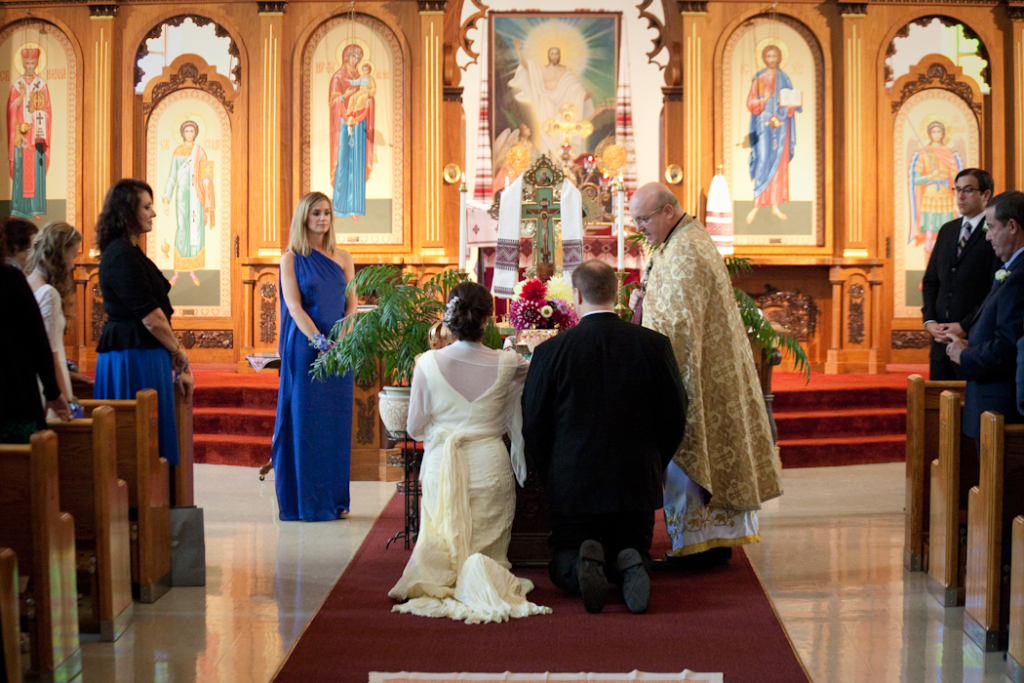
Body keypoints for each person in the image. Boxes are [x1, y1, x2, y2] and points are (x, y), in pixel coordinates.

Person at [628, 182, 783, 561]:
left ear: (667, 211)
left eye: (643, 219)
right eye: (635, 221)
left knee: (694, 454)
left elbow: (677, 329)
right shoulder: (680, 240)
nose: (640, 228)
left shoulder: (686, 250)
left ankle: (701, 547)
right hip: (704, 370)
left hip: (695, 378)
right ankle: (708, 542)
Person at [522, 260, 687, 614]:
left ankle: (578, 566)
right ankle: (629, 563)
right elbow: (676, 415)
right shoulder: (654, 346)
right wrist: (653, 462)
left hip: (574, 488)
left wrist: (555, 473)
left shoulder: (550, 352)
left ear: (577, 295)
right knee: (634, 545)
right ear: (617, 293)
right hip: (635, 485)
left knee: (562, 559)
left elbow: (533, 424)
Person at [389, 281, 550, 623]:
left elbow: (415, 428)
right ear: (487, 320)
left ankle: (445, 578)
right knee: (485, 550)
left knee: (443, 537)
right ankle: (482, 575)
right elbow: (542, 374)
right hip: (489, 466)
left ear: (449, 319)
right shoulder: (509, 363)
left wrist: (446, 428)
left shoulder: (427, 363)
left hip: (442, 466)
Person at [94, 179, 193, 467]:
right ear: (127, 212)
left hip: (142, 352)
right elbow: (151, 317)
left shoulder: (129, 251)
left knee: (149, 444)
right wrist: (178, 351)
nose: (154, 213)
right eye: (147, 207)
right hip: (133, 357)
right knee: (138, 447)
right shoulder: (121, 254)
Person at [272, 191, 357, 522]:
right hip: (306, 349)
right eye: (316, 213)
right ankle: (305, 502)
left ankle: (334, 500)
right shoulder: (290, 259)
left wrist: (342, 341)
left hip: (340, 350)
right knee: (306, 425)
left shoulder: (344, 257)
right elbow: (294, 307)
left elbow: (351, 306)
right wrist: (321, 342)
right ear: (304, 217)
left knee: (334, 425)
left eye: (327, 213)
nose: (323, 219)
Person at [946, 190, 1024, 446]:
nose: (988, 237)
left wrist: (965, 354)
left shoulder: (1019, 275)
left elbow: (1008, 347)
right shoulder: (1011, 269)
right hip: (991, 404)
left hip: (1000, 406)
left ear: (1012, 226)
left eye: (991, 228)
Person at [921, 169, 999, 380]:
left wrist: (965, 326)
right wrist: (930, 321)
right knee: (940, 399)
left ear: (985, 194)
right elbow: (931, 281)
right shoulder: (947, 230)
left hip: (974, 343)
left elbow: (995, 290)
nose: (960, 196)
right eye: (957, 190)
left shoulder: (994, 232)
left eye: (968, 190)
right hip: (940, 344)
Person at [0, 220, 69, 442]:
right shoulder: (10, 278)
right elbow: (37, 340)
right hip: (12, 393)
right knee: (23, 455)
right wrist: (53, 392)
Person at [26, 222, 91, 417]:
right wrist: (65, 401)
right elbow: (50, 354)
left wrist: (70, 374)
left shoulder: (26, 283)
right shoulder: (49, 294)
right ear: (60, 255)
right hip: (51, 386)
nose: (73, 264)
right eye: (73, 255)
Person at [509, 39, 593, 160]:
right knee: (547, 134)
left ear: (559, 56)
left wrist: (582, 95)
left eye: (556, 54)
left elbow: (575, 87)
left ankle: (561, 163)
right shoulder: (542, 69)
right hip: (546, 104)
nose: (554, 56)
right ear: (548, 56)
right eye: (552, 54)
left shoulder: (565, 70)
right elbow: (526, 65)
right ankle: (548, 161)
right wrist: (519, 50)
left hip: (561, 108)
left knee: (561, 135)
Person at [745, 44, 800, 224]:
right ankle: (757, 203)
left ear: (779, 58)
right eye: (768, 56)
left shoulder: (784, 79)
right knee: (762, 159)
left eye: (774, 56)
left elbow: (790, 101)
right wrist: (765, 99)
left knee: (779, 163)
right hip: (763, 123)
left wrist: (791, 107)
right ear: (764, 58)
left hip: (781, 125)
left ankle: (775, 204)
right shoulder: (759, 79)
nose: (771, 59)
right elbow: (751, 104)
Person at [162, 119, 215, 288]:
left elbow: (207, 175)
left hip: (197, 196)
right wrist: (166, 198)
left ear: (196, 133)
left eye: (192, 131)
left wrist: (207, 183)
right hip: (182, 196)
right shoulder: (178, 151)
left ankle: (193, 271)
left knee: (197, 231)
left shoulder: (200, 152)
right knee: (182, 229)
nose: (189, 134)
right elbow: (172, 176)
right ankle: (177, 271)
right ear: (182, 133)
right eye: (187, 131)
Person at [329, 45, 375, 219]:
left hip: (360, 124)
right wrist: (344, 96)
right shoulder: (338, 78)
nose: (356, 61)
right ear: (346, 57)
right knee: (343, 161)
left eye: (358, 58)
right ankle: (339, 207)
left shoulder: (362, 76)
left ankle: (355, 208)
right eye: (353, 56)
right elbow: (333, 102)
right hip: (343, 125)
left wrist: (369, 101)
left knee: (357, 163)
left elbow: (370, 95)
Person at [7, 46, 51, 220]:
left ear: (37, 64)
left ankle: (36, 208)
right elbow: (10, 109)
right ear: (23, 64)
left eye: (33, 63)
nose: (30, 66)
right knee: (20, 167)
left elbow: (47, 110)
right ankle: (17, 209)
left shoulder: (41, 85)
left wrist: (37, 117)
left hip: (35, 133)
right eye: (27, 63)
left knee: (36, 169)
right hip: (20, 133)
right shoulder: (17, 85)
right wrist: (20, 97)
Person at [911, 121, 961, 261]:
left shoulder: (948, 154)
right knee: (929, 233)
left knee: (946, 234)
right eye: (933, 132)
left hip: (945, 196)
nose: (936, 135)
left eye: (939, 132)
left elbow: (956, 179)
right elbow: (916, 180)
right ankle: (928, 268)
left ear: (943, 134)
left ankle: (945, 267)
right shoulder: (924, 154)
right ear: (929, 134)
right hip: (930, 196)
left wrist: (956, 197)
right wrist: (931, 176)